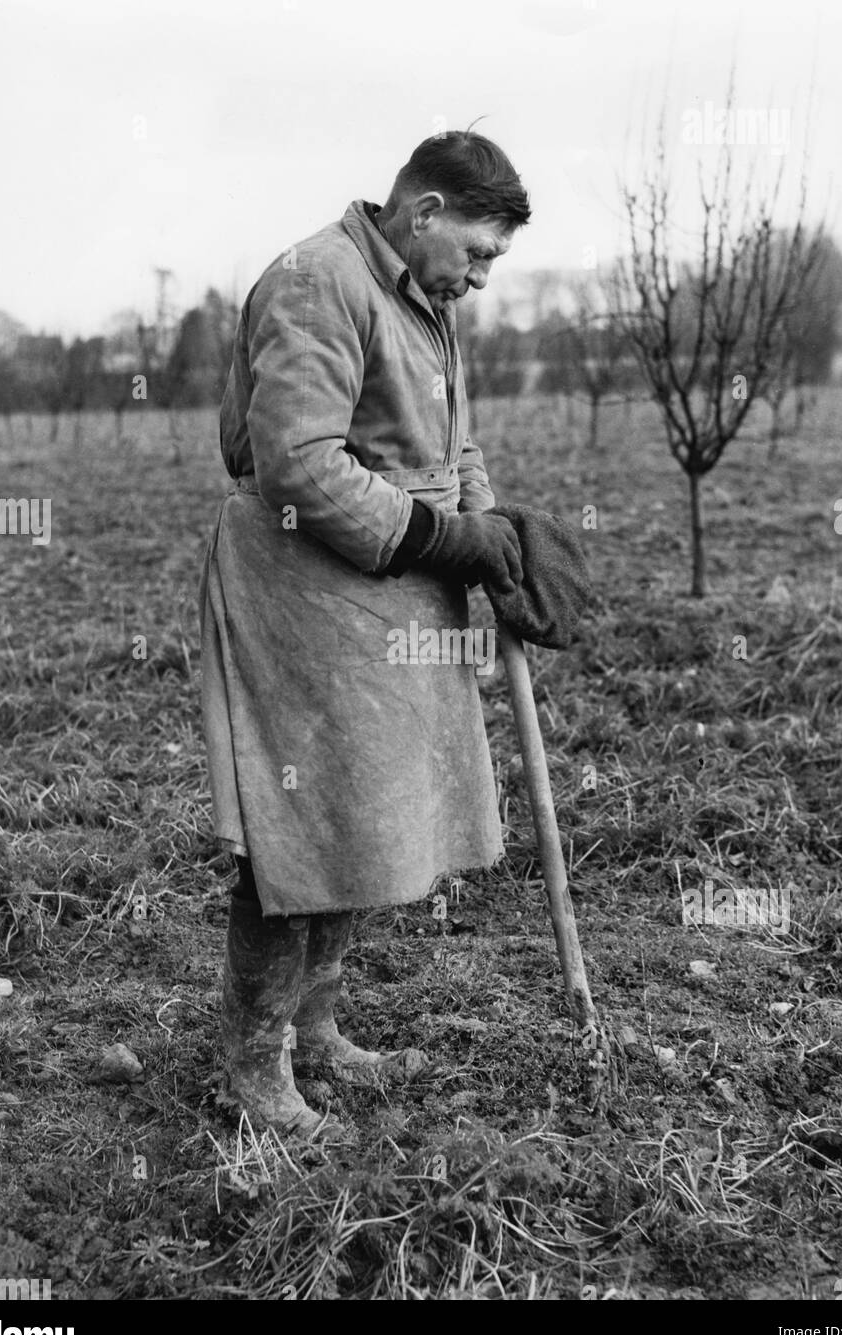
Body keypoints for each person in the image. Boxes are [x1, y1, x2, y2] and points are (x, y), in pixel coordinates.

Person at [199, 129, 531, 1138]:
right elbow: (294, 463)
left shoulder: (422, 303)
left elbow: (448, 441)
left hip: (383, 585)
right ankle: (253, 1067)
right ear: (423, 211)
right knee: (300, 824)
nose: (479, 276)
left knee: (367, 810)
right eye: (476, 251)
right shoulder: (321, 280)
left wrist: (486, 526)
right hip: (301, 582)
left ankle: (316, 1026)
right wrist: (436, 534)